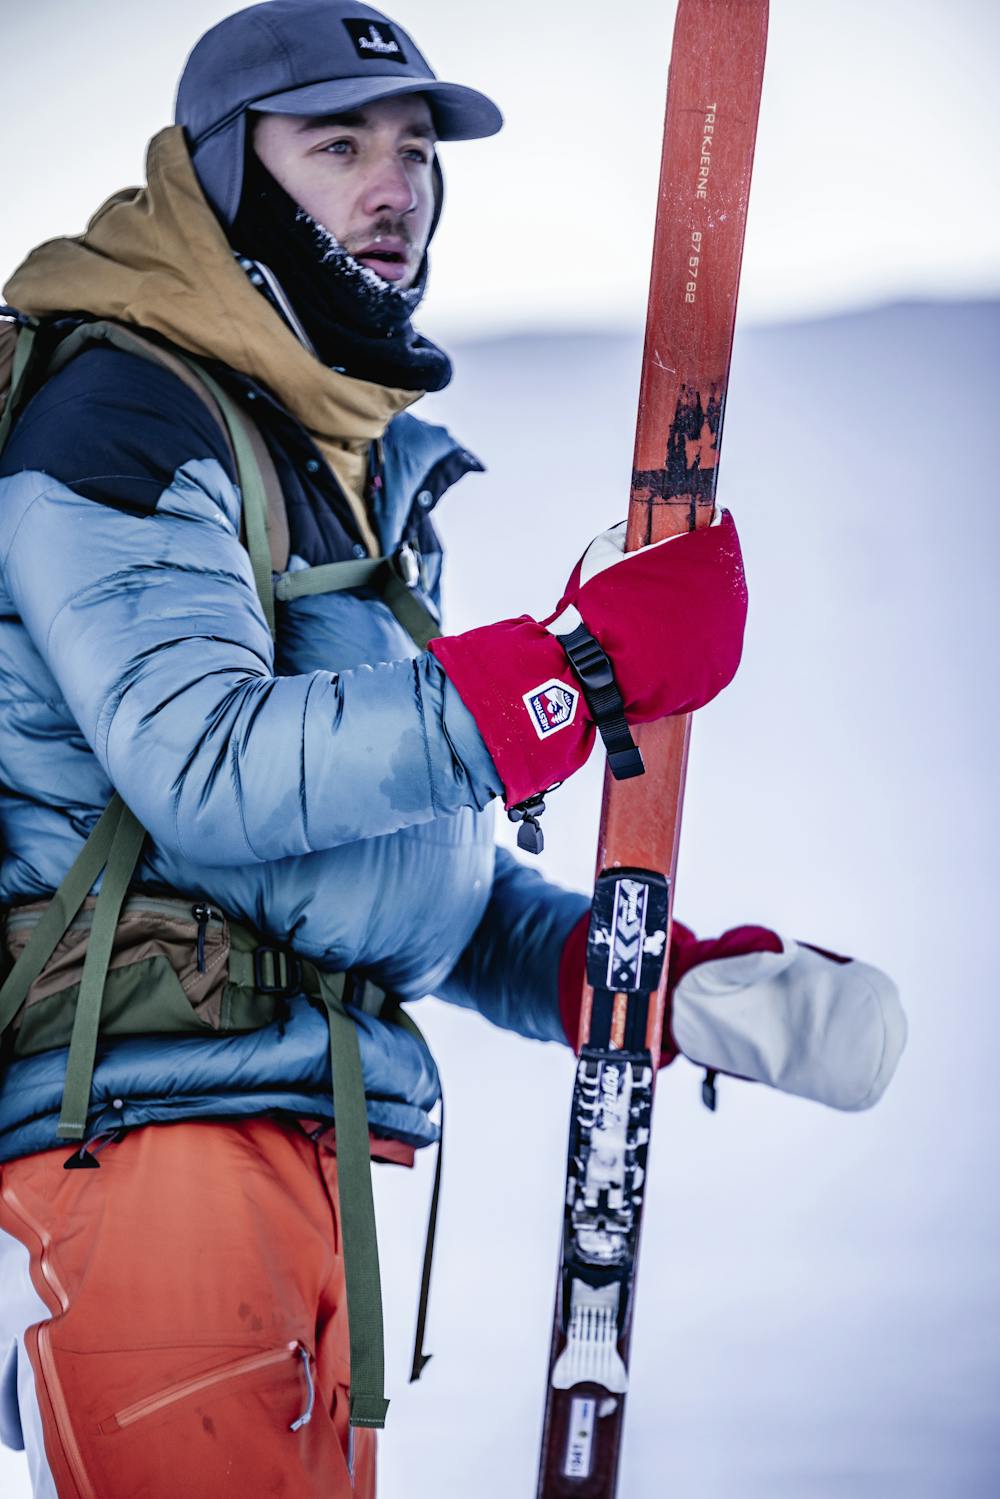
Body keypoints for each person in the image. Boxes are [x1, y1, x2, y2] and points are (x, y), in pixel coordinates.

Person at [0, 2, 906, 1494]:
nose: (394, 185)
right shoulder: (127, 415)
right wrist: (581, 674)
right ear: (226, 174)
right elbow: (210, 772)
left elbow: (362, 868)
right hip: (150, 1159)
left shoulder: (322, 456)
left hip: (296, 1146)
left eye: (415, 150)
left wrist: (624, 973)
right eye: (336, 144)